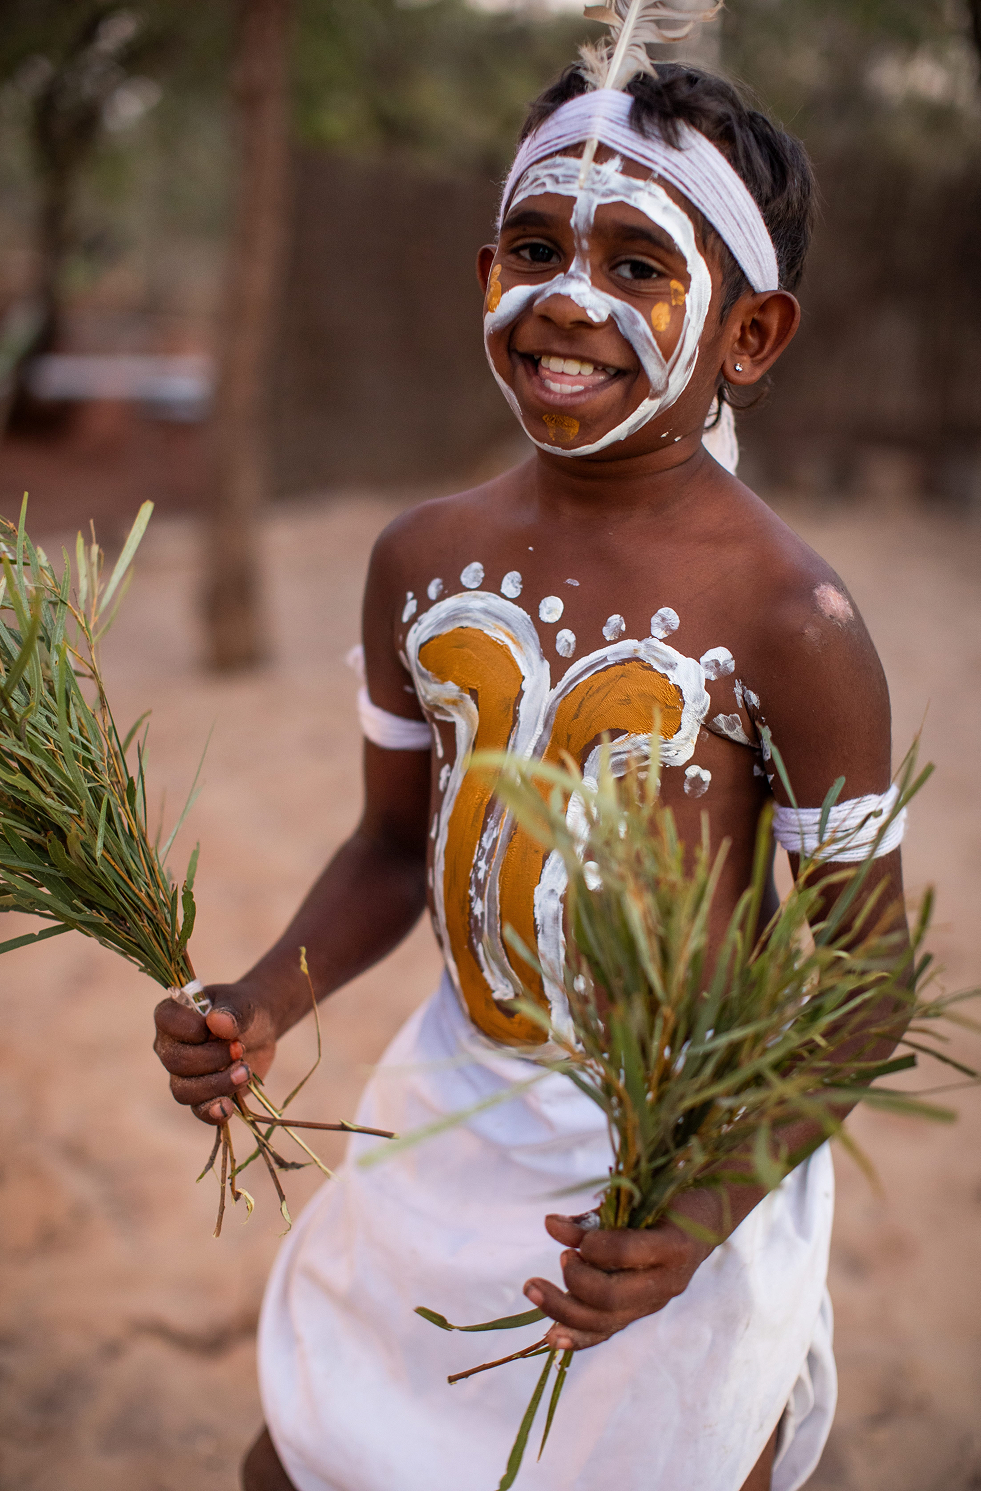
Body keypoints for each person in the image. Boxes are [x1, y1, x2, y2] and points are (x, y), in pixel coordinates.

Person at [153, 58, 908, 1491]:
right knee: (305, 1460)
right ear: (480, 272)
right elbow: (393, 846)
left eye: (636, 261)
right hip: (447, 1112)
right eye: (534, 247)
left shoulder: (788, 621)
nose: (566, 298)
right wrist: (257, 998)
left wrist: (700, 1211)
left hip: (669, 1166)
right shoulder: (419, 559)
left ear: (748, 334)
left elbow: (867, 979)